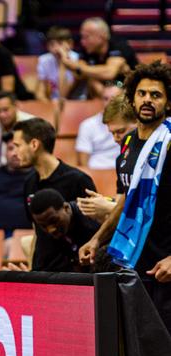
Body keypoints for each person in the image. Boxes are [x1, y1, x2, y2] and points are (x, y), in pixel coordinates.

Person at [80, 61, 171, 333]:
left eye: (156, 95)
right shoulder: (128, 146)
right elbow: (125, 200)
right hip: (135, 262)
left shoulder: (168, 142)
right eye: (142, 93)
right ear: (132, 98)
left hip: (165, 264)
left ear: (167, 103)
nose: (147, 100)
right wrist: (97, 240)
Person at [9, 117, 96, 274]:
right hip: (42, 272)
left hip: (74, 276)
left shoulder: (78, 180)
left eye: (17, 146)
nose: (14, 153)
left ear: (34, 144)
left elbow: (93, 231)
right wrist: (31, 268)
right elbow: (36, 231)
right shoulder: (29, 182)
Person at [76, 91, 138, 222]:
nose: (116, 139)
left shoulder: (156, 155)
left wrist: (109, 207)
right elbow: (120, 199)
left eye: (120, 131)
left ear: (138, 122)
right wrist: (103, 203)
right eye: (112, 133)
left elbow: (151, 208)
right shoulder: (121, 159)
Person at [59, 18, 138, 99]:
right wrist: (64, 63)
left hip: (123, 85)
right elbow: (78, 75)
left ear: (101, 36)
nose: (82, 42)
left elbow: (109, 73)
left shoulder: (118, 45)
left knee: (113, 89)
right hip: (103, 89)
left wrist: (78, 67)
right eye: (82, 37)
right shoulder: (87, 50)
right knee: (93, 80)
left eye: (86, 37)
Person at [28, 188, 100, 272]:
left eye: (54, 221)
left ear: (66, 208)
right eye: (44, 226)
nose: (51, 229)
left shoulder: (92, 218)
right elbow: (42, 269)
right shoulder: (44, 224)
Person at [75, 82, 124, 169]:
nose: (109, 103)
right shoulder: (87, 125)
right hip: (95, 171)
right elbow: (83, 163)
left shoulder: (130, 124)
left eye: (113, 99)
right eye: (105, 98)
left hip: (122, 171)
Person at [35, 26, 80, 102]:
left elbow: (64, 94)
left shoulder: (77, 60)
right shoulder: (43, 60)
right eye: (52, 44)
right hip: (53, 103)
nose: (55, 49)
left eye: (60, 43)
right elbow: (40, 92)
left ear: (70, 44)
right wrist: (46, 104)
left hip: (75, 103)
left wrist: (63, 62)